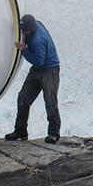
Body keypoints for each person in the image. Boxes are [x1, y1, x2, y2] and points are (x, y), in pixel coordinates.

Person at [5, 14, 61, 143]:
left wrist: (23, 50)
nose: (23, 32)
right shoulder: (37, 23)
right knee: (23, 98)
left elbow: (38, 61)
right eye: (21, 29)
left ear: (31, 28)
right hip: (38, 69)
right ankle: (20, 131)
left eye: (25, 30)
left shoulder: (38, 41)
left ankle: (54, 133)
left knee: (50, 100)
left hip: (49, 69)